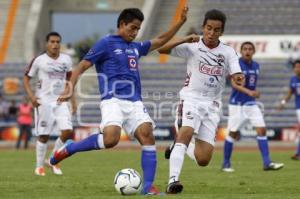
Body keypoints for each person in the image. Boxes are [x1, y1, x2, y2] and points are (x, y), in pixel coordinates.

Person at [50, 7, 189, 195]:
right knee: (111, 139)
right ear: (122, 24)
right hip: (112, 99)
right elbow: (82, 65)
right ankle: (70, 148)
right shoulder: (105, 43)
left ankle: (147, 187)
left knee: (147, 134)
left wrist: (180, 22)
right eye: (132, 28)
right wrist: (70, 87)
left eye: (138, 29)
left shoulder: (135, 47)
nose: (135, 32)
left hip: (134, 101)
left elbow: (160, 40)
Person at [157, 9, 245, 194]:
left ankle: (177, 146)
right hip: (190, 100)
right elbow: (161, 48)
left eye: (216, 30)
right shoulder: (192, 47)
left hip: (212, 106)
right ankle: (173, 181)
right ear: (203, 27)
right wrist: (184, 39)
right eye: (209, 28)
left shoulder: (228, 51)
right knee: (186, 133)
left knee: (203, 160)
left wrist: (238, 77)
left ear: (222, 31)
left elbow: (237, 72)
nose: (212, 33)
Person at [221, 41, 284, 172]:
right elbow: (234, 84)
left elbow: (251, 83)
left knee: (262, 130)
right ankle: (225, 164)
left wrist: (253, 93)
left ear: (254, 51)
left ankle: (267, 162)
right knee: (232, 133)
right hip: (237, 104)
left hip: (251, 104)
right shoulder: (236, 64)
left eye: (250, 49)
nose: (247, 51)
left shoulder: (256, 65)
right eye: (245, 49)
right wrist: (250, 92)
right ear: (241, 51)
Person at [24, 32, 77, 176]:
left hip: (61, 101)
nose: (55, 44)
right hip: (43, 102)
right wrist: (32, 98)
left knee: (67, 131)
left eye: (58, 42)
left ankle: (53, 160)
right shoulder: (39, 60)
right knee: (44, 136)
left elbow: (70, 81)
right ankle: (39, 167)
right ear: (47, 43)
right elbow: (26, 79)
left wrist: (73, 99)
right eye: (52, 41)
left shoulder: (66, 59)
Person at [278, 59, 300, 160]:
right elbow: (290, 93)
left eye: (299, 67)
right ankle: (298, 153)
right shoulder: (293, 79)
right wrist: (283, 103)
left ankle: (298, 153)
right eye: (296, 67)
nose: (297, 69)